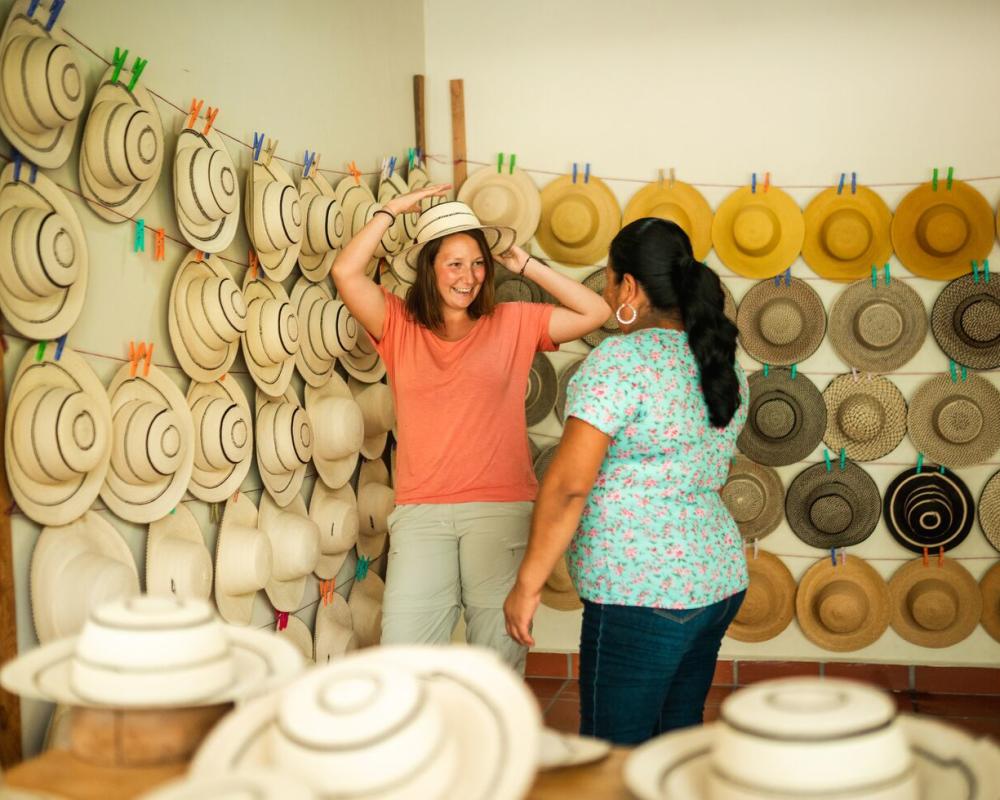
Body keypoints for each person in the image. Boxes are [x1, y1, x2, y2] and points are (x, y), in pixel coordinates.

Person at [331, 185, 611, 670]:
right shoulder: (396, 322)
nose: (469, 276)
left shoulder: (513, 321)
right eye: (454, 263)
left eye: (478, 263)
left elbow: (597, 313)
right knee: (404, 662)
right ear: (429, 267)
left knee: (497, 666)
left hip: (499, 511)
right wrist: (389, 212)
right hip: (421, 514)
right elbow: (345, 271)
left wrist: (525, 265)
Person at [503, 217, 749, 744]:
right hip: (716, 579)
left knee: (612, 751)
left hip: (643, 591)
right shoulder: (721, 363)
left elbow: (569, 485)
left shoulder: (619, 361)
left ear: (629, 287)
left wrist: (527, 586)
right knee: (675, 739)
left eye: (609, 279)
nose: (608, 290)